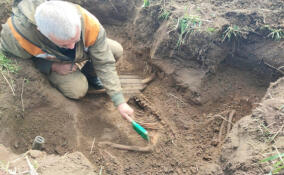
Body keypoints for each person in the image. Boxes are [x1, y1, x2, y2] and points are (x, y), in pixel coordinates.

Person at [0, 0, 134, 119]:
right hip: (53, 60)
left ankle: (91, 75)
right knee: (78, 90)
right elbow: (18, 62)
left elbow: (104, 62)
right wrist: (51, 66)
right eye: (64, 44)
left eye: (75, 40)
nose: (71, 47)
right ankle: (72, 74)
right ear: (41, 31)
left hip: (78, 54)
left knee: (115, 50)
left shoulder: (89, 23)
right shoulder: (19, 37)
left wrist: (119, 102)